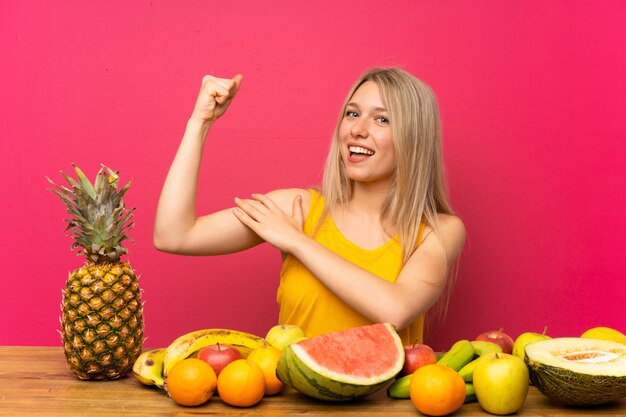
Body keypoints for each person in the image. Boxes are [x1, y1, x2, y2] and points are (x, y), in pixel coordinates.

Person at [154, 68, 466, 345]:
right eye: (352, 113)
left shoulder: (438, 230)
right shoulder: (297, 206)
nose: (357, 129)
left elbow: (395, 309)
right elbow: (174, 235)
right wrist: (200, 123)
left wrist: (297, 242)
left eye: (382, 119)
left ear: (414, 138)